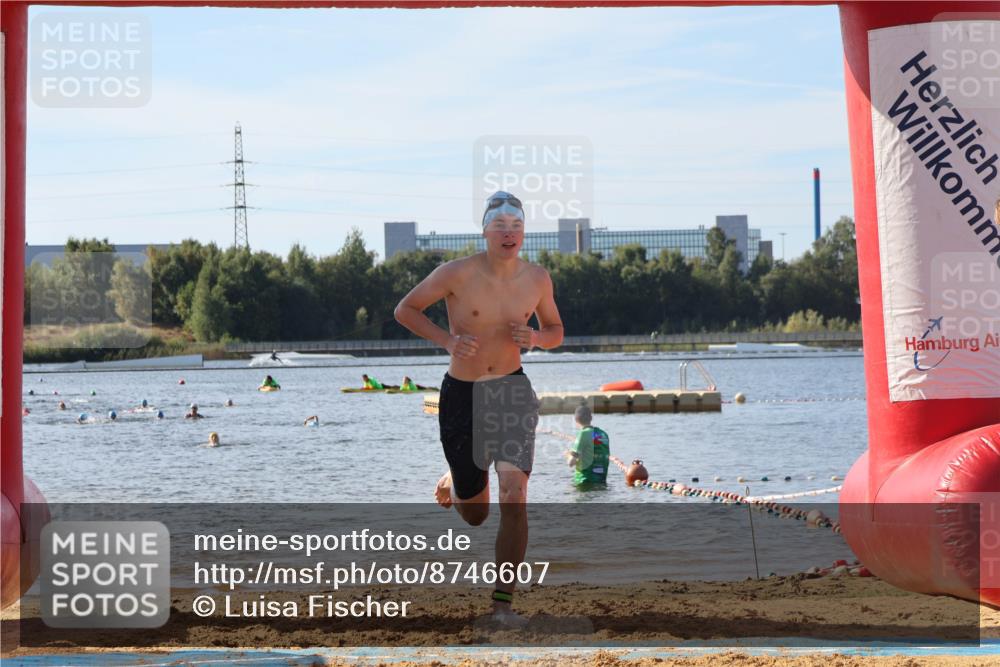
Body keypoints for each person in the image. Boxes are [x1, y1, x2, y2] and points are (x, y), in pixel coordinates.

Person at [394, 190, 563, 625]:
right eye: (501, 227)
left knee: (514, 494)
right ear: (486, 231)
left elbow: (556, 329)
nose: (509, 234)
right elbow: (405, 310)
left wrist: (538, 339)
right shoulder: (455, 273)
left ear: (524, 232)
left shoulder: (538, 278)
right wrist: (447, 341)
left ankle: (502, 606)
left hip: (510, 390)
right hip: (462, 394)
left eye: (517, 227)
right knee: (476, 513)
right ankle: (455, 480)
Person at [564, 405, 610, 488]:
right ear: (591, 418)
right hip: (601, 482)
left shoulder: (583, 433)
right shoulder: (603, 434)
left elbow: (571, 463)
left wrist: (567, 455)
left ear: (576, 420)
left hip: (585, 482)